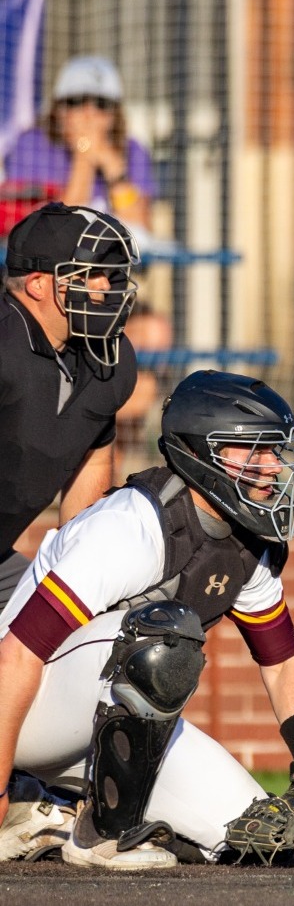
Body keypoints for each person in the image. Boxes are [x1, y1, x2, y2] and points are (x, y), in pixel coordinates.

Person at [0, 370, 294, 869]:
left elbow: (283, 662)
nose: (271, 467)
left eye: (274, 450)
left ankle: (55, 805)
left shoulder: (248, 545)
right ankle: (97, 833)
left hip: (101, 726)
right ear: (199, 450)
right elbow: (18, 653)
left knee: (258, 833)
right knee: (160, 634)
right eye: (253, 450)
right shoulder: (131, 525)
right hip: (25, 708)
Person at [0, 204, 140, 606]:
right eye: (88, 273)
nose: (105, 286)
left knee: (77, 626)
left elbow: (92, 463)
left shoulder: (107, 359)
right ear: (39, 284)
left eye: (110, 273)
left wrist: (83, 581)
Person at [3, 56, 155, 238]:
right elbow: (53, 233)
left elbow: (140, 231)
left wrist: (113, 167)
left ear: (115, 113)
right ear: (58, 109)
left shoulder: (133, 150)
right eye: (76, 102)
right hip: (52, 263)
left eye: (101, 104)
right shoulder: (32, 145)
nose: (89, 113)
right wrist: (85, 157)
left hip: (111, 262)